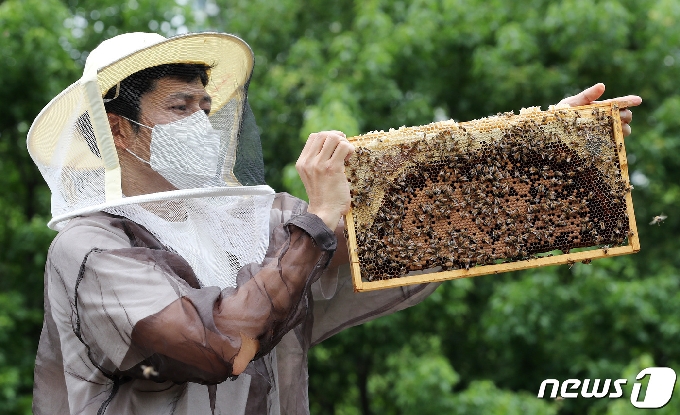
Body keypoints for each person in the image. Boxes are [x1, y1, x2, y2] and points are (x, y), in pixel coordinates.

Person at [27, 32, 640, 415]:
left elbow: (409, 232)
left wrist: (540, 148)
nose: (201, 123)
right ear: (118, 130)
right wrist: (319, 217)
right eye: (180, 107)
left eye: (206, 108)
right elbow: (218, 347)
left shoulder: (257, 224)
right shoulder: (90, 250)